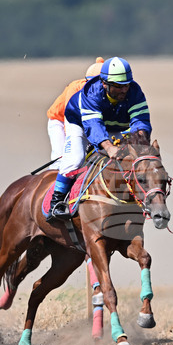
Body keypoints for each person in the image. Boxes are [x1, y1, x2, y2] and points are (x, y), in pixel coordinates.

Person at [48, 56, 151, 221]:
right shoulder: (92, 94)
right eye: (118, 86)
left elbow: (141, 122)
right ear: (104, 84)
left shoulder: (135, 93)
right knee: (76, 159)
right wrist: (109, 148)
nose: (124, 90)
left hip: (113, 127)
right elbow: (94, 127)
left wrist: (141, 143)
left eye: (126, 85)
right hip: (80, 123)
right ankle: (57, 202)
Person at [45, 57, 105, 169]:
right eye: (92, 83)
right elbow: (70, 119)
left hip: (85, 123)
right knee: (63, 159)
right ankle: (55, 181)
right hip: (60, 121)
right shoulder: (75, 89)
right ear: (87, 81)